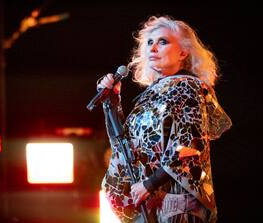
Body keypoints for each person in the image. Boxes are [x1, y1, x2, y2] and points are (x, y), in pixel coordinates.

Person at [97, 15, 232, 223]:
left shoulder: (187, 86)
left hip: (177, 204)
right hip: (150, 204)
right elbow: (125, 145)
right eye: (149, 42)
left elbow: (189, 145)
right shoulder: (152, 95)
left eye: (163, 41)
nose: (152, 48)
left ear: (183, 52)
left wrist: (149, 184)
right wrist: (112, 102)